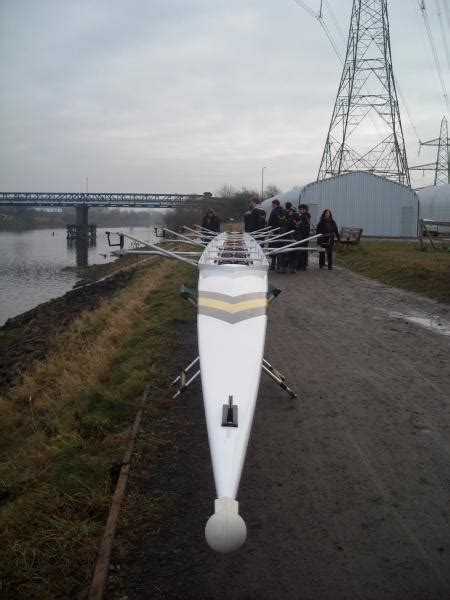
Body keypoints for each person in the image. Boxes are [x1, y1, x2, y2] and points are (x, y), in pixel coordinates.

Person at [268, 199, 287, 271]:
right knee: (280, 248)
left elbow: (270, 222)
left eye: (272, 204)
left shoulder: (274, 211)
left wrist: (269, 230)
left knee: (273, 248)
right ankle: (279, 266)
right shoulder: (284, 211)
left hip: (274, 232)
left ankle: (273, 266)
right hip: (282, 232)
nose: (271, 205)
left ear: (275, 204)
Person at [296, 204, 311, 271]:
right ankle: (303, 265)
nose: (299, 210)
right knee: (303, 250)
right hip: (304, 236)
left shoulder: (303, 217)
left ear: (305, 210)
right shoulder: (305, 216)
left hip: (303, 236)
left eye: (301, 209)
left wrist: (301, 235)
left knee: (302, 251)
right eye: (299, 209)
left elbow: (303, 227)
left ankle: (301, 266)